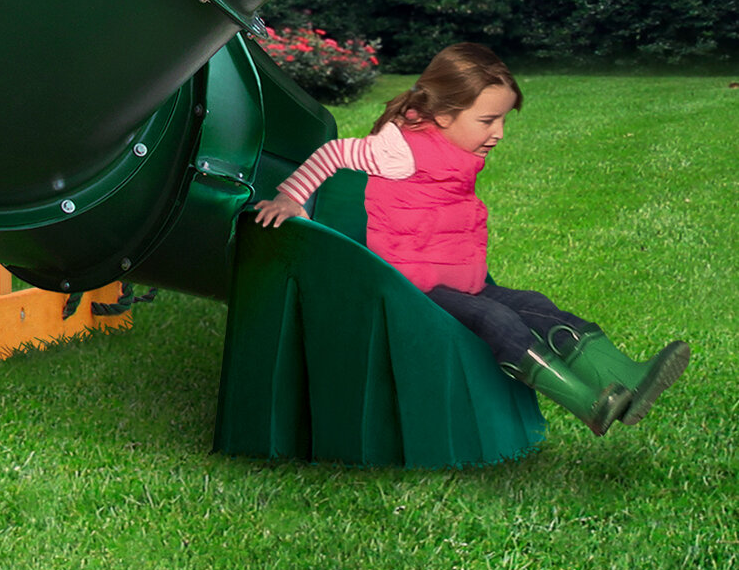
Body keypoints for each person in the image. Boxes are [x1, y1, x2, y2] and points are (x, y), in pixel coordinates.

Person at [254, 40, 690, 433]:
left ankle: (628, 377)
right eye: (487, 121)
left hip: (462, 279)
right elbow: (334, 151)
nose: (498, 133)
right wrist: (291, 198)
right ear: (443, 115)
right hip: (414, 289)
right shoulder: (398, 149)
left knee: (536, 305)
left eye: (501, 120)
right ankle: (590, 406)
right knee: (497, 321)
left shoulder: (452, 149)